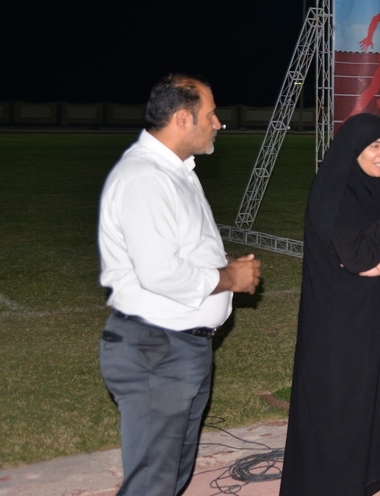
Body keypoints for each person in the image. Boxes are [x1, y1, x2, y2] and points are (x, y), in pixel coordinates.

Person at [98, 74, 262, 496]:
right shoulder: (145, 177)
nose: (218, 123)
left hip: (178, 348)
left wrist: (224, 265)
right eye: (211, 114)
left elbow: (179, 251)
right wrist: (230, 278)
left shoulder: (174, 171)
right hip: (157, 350)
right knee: (152, 483)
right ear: (183, 119)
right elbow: (159, 272)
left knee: (169, 477)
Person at [279, 113, 380, 496]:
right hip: (338, 325)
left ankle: (362, 480)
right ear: (353, 150)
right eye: (374, 146)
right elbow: (358, 256)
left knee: (368, 404)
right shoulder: (334, 192)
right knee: (339, 407)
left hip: (374, 318)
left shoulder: (379, 190)